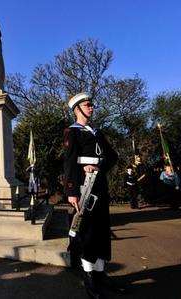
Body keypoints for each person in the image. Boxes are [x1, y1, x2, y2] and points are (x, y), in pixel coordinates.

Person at [64, 92, 123, 297]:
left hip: (100, 186)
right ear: (77, 109)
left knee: (101, 230)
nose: (91, 107)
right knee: (88, 233)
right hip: (83, 188)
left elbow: (113, 157)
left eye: (92, 105)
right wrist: (71, 191)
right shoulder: (73, 132)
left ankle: (100, 275)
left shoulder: (97, 132)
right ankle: (89, 278)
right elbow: (70, 162)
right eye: (88, 105)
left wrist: (98, 166)